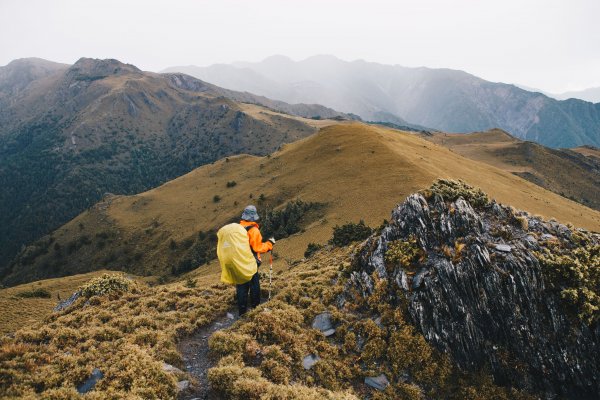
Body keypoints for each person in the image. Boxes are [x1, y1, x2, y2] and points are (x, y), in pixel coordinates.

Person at [237, 205, 275, 315]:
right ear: (253, 217)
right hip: (250, 262)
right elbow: (257, 248)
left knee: (241, 287)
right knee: (254, 285)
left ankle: (242, 312)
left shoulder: (238, 227)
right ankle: (256, 309)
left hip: (238, 261)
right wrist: (269, 244)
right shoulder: (253, 230)